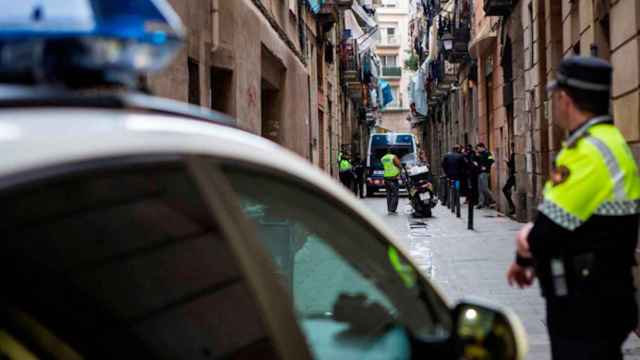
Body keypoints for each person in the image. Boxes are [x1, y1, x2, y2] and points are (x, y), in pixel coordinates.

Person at [506, 56, 640, 360]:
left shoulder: (588, 151)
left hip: (586, 303)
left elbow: (548, 230)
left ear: (565, 99)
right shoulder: (611, 140)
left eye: (555, 96)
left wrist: (525, 242)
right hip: (604, 295)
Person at [381, 147, 402, 213]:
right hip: (393, 177)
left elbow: (386, 166)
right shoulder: (393, 157)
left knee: (388, 193)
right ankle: (392, 209)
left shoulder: (383, 158)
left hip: (386, 177)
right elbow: (399, 165)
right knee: (395, 194)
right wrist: (399, 172)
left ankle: (389, 208)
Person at [476, 143, 495, 209]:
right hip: (479, 172)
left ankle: (493, 199)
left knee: (485, 188)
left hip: (484, 172)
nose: (478, 149)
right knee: (480, 189)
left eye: (478, 148)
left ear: (482, 147)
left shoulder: (488, 153)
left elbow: (492, 161)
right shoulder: (479, 154)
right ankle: (481, 203)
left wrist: (486, 167)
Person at [503, 142, 516, 215]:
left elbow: (511, 165)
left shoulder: (514, 154)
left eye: (512, 147)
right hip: (513, 176)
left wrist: (506, 161)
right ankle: (512, 206)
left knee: (505, 189)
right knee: (505, 190)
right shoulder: (513, 154)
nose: (512, 148)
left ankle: (512, 206)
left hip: (513, 176)